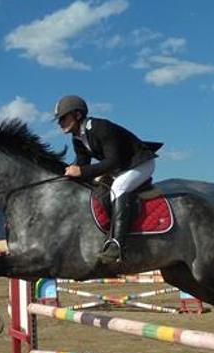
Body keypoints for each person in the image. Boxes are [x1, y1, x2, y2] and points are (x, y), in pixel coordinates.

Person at [54, 95, 163, 264]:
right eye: (58, 119)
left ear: (77, 115)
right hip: (121, 168)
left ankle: (117, 245)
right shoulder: (77, 138)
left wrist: (81, 170)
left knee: (118, 188)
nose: (59, 122)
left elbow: (113, 161)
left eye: (63, 118)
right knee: (98, 188)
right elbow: (82, 166)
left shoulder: (100, 127)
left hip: (140, 164)